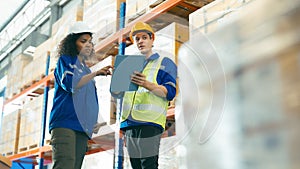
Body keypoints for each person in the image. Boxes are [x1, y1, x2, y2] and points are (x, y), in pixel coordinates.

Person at [49, 21, 112, 169]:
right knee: (65, 165)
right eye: (83, 41)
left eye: (90, 42)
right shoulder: (65, 61)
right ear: (73, 43)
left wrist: (92, 121)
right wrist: (96, 73)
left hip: (82, 128)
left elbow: (89, 99)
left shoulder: (85, 70)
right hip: (65, 123)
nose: (88, 45)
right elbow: (71, 84)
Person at [120, 22, 177, 169]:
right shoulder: (129, 65)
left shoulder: (164, 63)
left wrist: (147, 84)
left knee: (148, 166)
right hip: (129, 125)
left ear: (152, 40)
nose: (140, 41)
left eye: (144, 37)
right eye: (137, 39)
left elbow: (169, 92)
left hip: (149, 123)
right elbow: (119, 93)